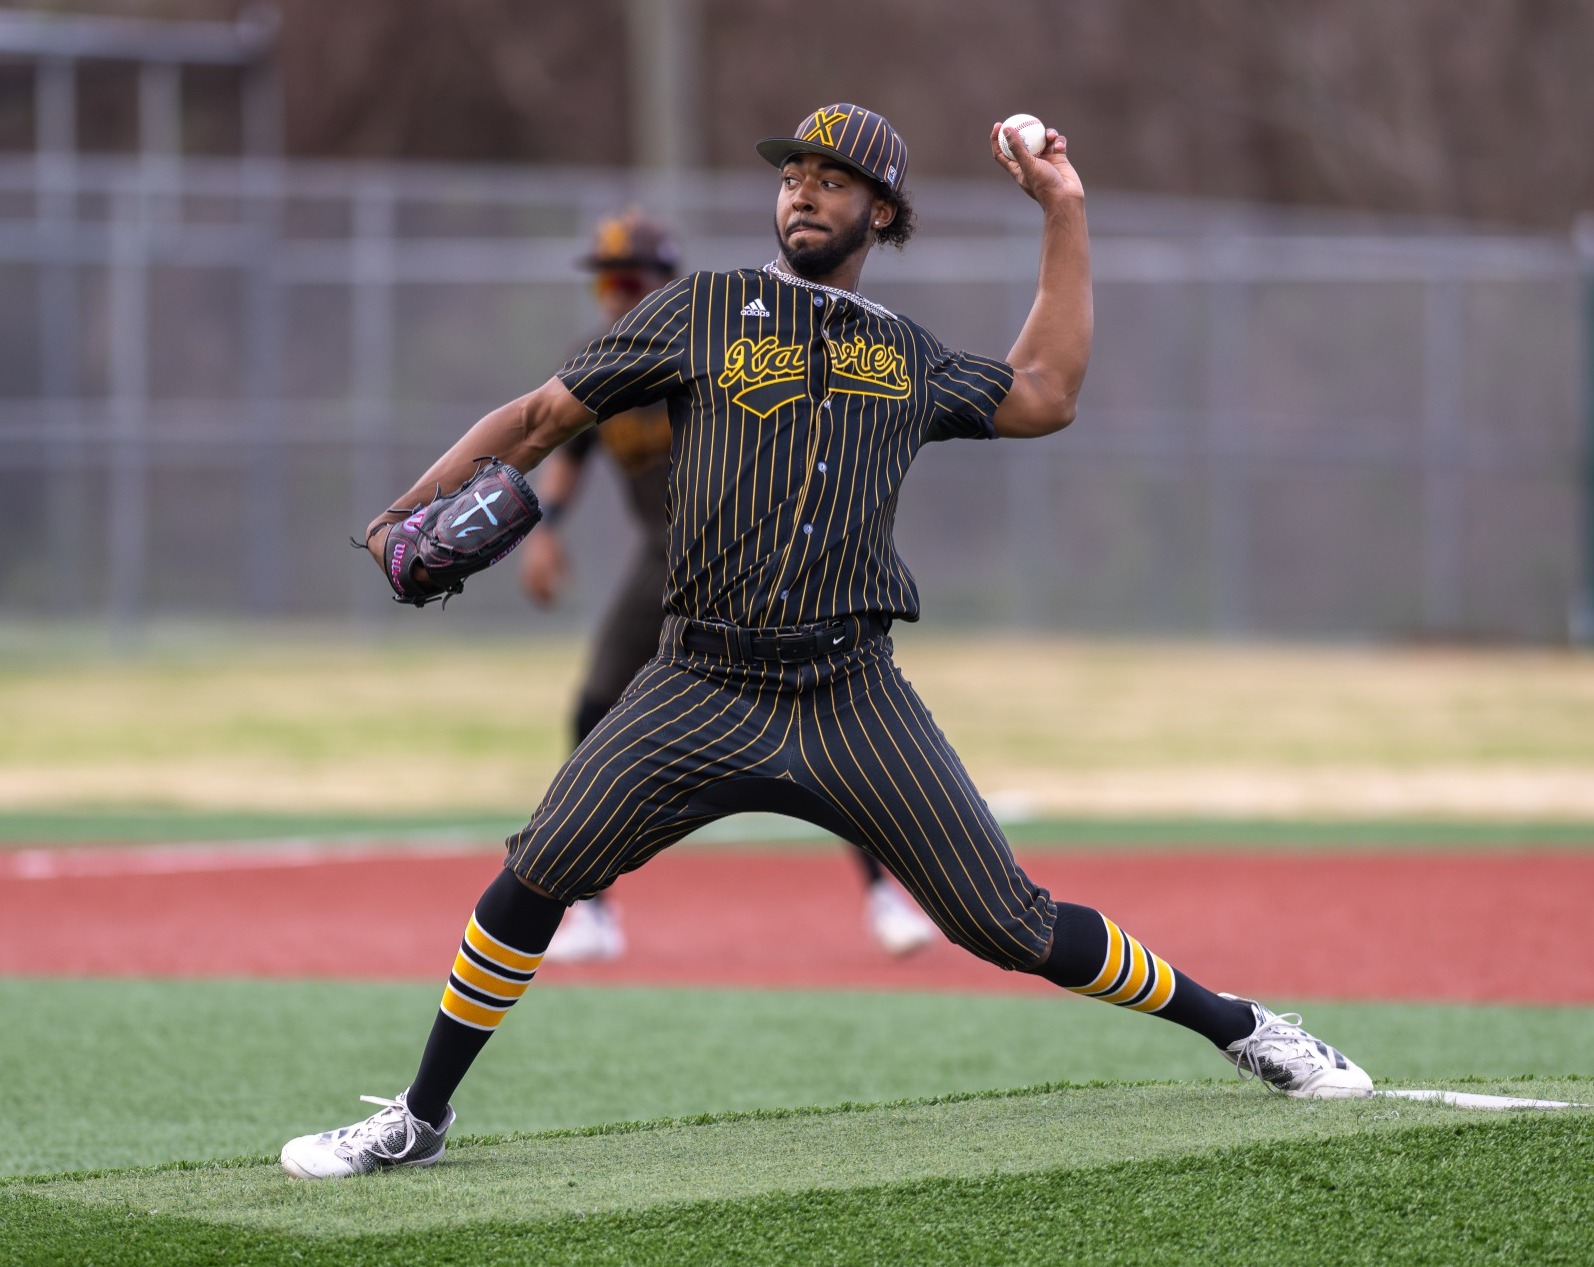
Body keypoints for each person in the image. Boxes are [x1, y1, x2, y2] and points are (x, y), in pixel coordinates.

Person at [281, 104, 1372, 1180]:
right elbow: (537, 420)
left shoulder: (903, 353)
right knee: (533, 875)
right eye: (793, 175)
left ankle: (1244, 1026)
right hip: (697, 681)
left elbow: (1046, 393)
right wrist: (406, 510)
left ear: (881, 211)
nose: (804, 191)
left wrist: (1064, 210)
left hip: (850, 691)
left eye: (833, 179)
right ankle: (418, 1117)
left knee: (1010, 922)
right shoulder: (699, 309)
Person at [524, 209, 938, 962]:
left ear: (663, 282)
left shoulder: (705, 343)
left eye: (629, 281)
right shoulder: (597, 357)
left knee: (824, 725)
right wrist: (547, 528)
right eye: (604, 283)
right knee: (593, 706)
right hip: (662, 558)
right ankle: (592, 911)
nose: (614, 295)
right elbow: (568, 449)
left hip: (742, 556)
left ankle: (885, 893)